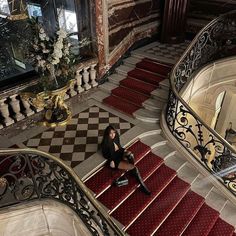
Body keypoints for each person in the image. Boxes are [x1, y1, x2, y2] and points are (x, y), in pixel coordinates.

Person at [101, 125, 151, 195]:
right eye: (110, 133)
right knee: (134, 168)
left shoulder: (116, 137)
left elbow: (120, 147)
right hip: (115, 160)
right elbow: (106, 155)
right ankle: (143, 186)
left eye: (114, 132)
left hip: (120, 154)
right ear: (107, 134)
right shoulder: (105, 144)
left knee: (130, 154)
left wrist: (125, 150)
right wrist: (111, 161)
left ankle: (132, 171)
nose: (113, 135)